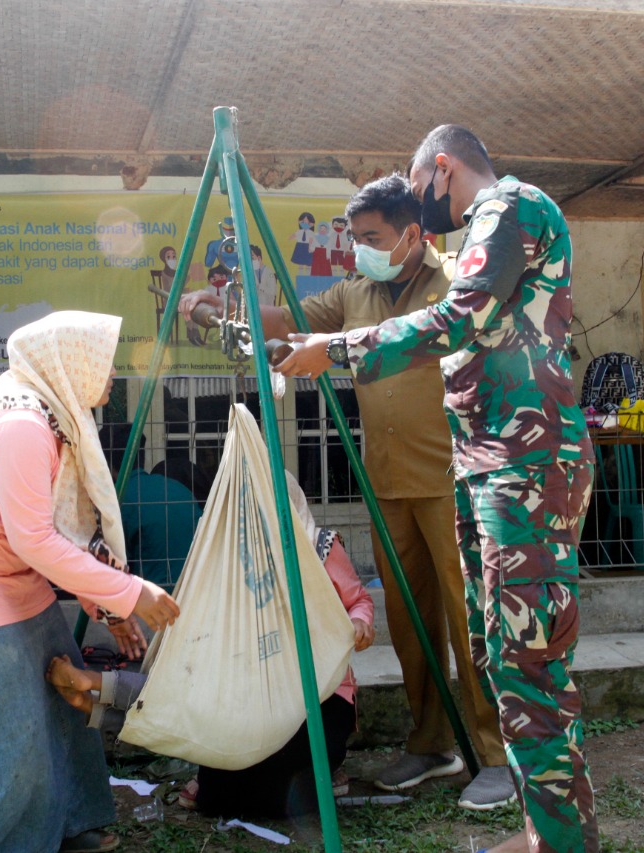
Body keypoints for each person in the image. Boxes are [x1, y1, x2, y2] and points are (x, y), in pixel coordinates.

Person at [276, 125, 597, 853]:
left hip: (526, 463)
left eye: (420, 186)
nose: (422, 203)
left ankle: (559, 842)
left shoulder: (509, 210)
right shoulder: (497, 221)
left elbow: (461, 316)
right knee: (504, 653)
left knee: (528, 658)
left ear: (440, 170)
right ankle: (543, 830)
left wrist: (341, 349)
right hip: (490, 461)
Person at [181, 174, 514, 812]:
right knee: (410, 618)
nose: (359, 248)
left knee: (470, 615)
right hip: (386, 478)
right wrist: (225, 304)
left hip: (452, 477)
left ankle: (497, 753)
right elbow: (288, 320)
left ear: (413, 234)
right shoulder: (355, 292)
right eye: (354, 238)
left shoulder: (454, 286)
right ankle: (430, 742)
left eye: (371, 237)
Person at [0, 310, 180, 853]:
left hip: (11, 574)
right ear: (69, 363)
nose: (109, 375)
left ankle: (62, 827)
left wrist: (107, 603)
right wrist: (130, 593)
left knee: (62, 700)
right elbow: (36, 539)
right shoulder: (22, 424)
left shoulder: (48, 416)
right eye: (101, 362)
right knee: (3, 738)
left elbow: (56, 531)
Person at [46, 472, 374, 819]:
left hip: (319, 697)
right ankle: (100, 694)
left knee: (233, 795)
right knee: (209, 738)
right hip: (253, 696)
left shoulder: (318, 547)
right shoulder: (232, 562)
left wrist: (359, 623)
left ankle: (100, 692)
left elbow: (359, 600)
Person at [100, 425, 201, 590]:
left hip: (153, 601)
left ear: (106, 463)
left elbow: (112, 569)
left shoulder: (117, 502)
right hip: (198, 593)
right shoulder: (179, 489)